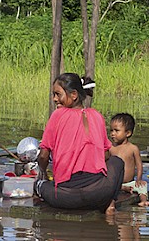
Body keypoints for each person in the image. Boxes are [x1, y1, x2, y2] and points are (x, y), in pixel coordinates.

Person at [35, 73, 125, 213]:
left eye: (58, 94)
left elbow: (43, 155)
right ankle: (110, 203)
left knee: (40, 185)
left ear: (74, 95)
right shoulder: (97, 115)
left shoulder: (57, 115)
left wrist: (42, 172)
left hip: (66, 198)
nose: (54, 99)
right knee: (118, 162)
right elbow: (106, 155)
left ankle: (40, 186)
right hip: (98, 193)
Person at [108, 113, 149, 207]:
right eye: (111, 130)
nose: (112, 134)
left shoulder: (133, 148)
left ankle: (144, 200)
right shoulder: (111, 148)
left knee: (143, 185)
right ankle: (122, 187)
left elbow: (139, 165)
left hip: (130, 182)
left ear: (128, 133)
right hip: (115, 182)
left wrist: (139, 179)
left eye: (116, 131)